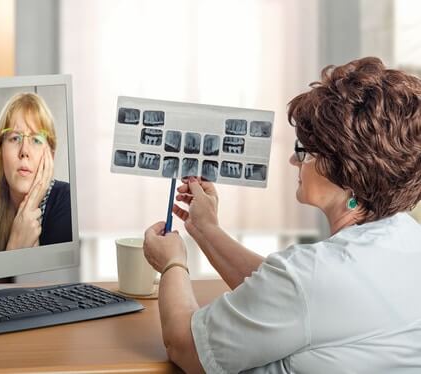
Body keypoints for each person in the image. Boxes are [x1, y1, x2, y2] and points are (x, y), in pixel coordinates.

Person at [143, 57, 421, 373]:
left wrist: (172, 264)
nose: (293, 160)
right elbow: (285, 297)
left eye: (304, 151)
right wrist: (205, 229)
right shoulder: (408, 238)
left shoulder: (313, 275)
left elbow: (185, 347)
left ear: (348, 171)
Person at [0, 92, 72, 257]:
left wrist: (33, 200)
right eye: (14, 138)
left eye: (36, 140)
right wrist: (16, 245)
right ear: (0, 149)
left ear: (50, 155)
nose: (24, 151)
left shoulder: (67, 201)